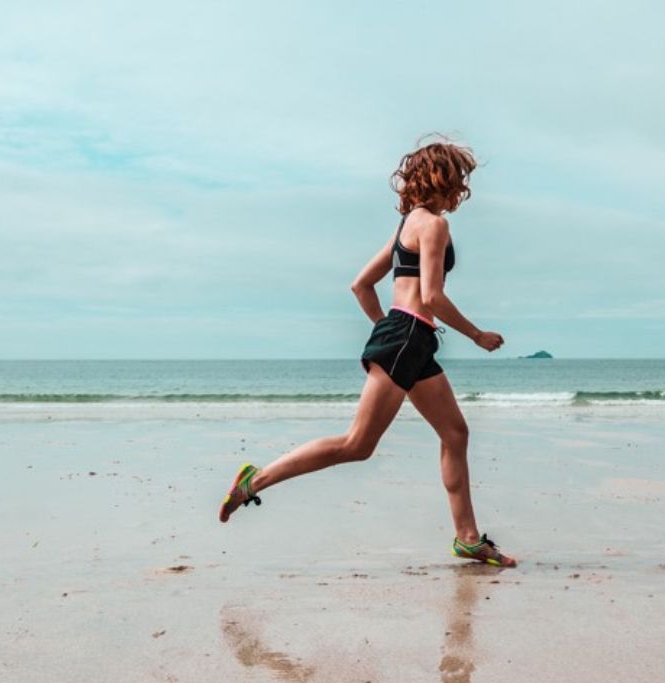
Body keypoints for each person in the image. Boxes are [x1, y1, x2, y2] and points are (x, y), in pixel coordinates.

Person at [218, 136, 517, 568]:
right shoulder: (433, 226)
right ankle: (255, 481)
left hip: (410, 341)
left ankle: (468, 538)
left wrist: (387, 328)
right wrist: (476, 335)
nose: (462, 190)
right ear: (442, 179)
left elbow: (361, 285)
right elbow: (431, 296)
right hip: (407, 338)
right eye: (459, 179)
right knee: (356, 445)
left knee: (455, 434)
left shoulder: (405, 227)